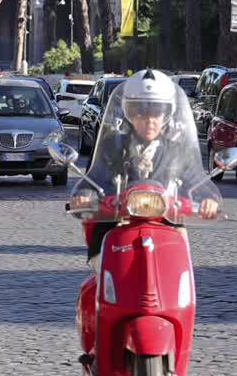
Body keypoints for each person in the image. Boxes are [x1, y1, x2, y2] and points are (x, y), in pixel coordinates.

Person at [69, 69, 221, 270]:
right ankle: (103, 289)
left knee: (182, 264)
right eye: (141, 114)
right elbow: (94, 178)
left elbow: (195, 180)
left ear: (166, 115)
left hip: (166, 221)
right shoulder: (111, 146)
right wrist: (85, 196)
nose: (149, 121)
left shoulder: (177, 150)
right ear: (130, 114)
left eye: (156, 114)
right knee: (102, 264)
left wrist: (207, 200)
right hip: (115, 222)